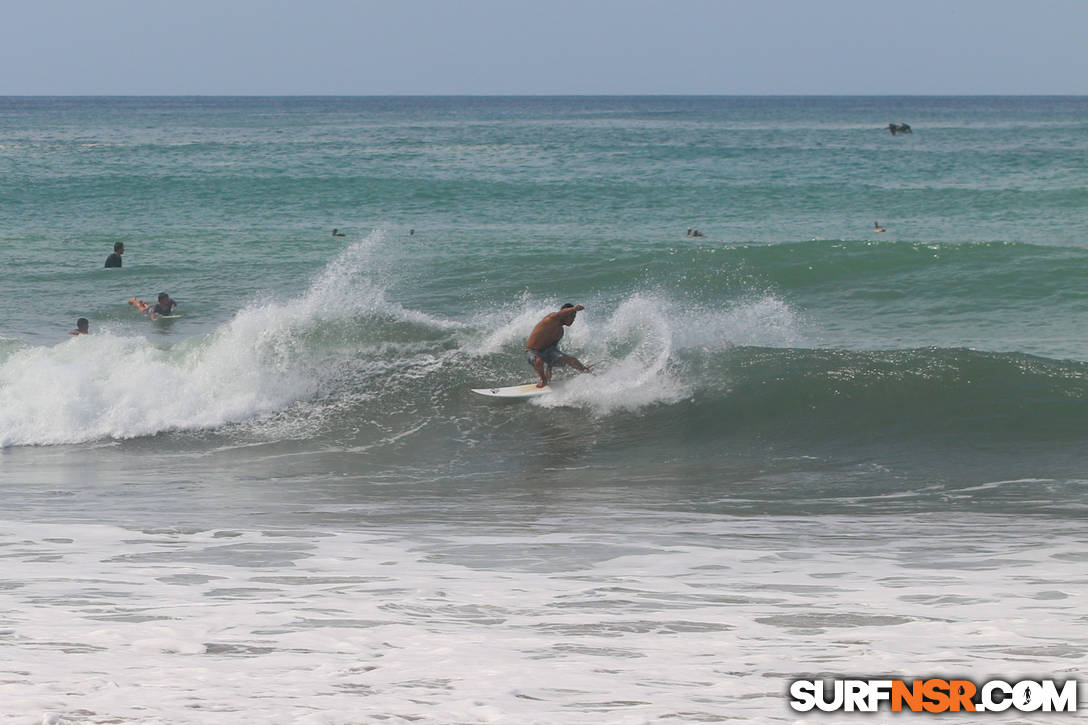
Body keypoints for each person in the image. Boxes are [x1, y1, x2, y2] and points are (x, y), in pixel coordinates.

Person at [525, 303, 592, 388]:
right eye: (572, 316)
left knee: (569, 359)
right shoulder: (551, 318)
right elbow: (559, 313)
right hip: (532, 350)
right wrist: (574, 308)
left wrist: (549, 369)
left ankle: (586, 371)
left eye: (574, 317)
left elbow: (553, 350)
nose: (573, 319)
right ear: (565, 314)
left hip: (547, 350)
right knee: (538, 361)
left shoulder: (560, 332)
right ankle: (543, 380)